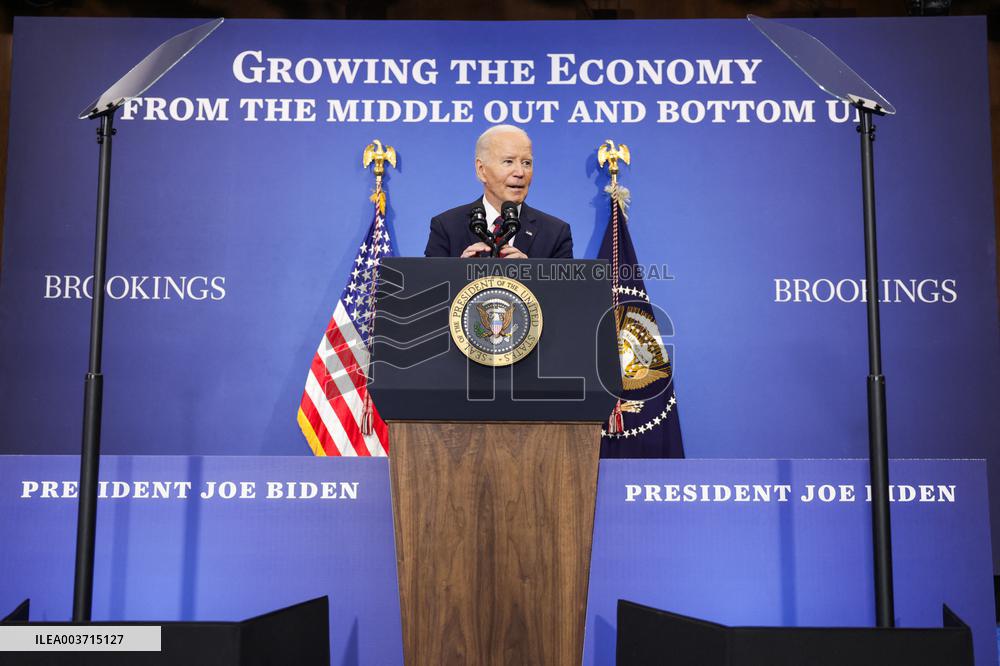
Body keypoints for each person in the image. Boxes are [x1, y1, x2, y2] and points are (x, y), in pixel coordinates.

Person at [424, 125, 573, 259]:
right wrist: (459, 271)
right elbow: (431, 281)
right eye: (508, 162)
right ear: (481, 170)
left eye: (526, 163)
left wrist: (529, 274)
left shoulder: (555, 233)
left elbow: (562, 283)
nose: (520, 172)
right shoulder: (446, 227)